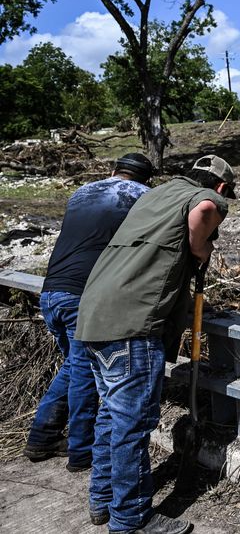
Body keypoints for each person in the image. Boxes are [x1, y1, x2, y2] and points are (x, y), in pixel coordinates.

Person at [75, 154, 236, 534]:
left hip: (94, 316)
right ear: (222, 185)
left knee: (110, 416)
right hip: (132, 325)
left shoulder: (154, 195)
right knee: (132, 423)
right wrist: (202, 248)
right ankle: (131, 519)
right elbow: (207, 207)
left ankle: (102, 501)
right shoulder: (205, 196)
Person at [24, 153, 154, 472]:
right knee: (84, 373)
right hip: (83, 296)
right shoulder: (142, 197)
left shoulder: (82, 191)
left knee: (74, 365)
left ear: (113, 171)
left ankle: (43, 436)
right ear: (145, 179)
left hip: (51, 290)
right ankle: (80, 450)